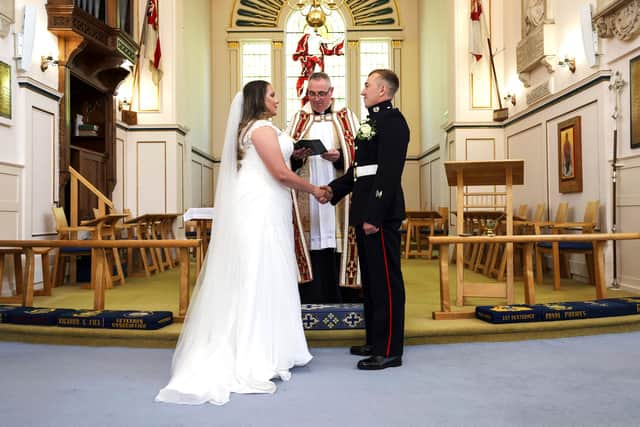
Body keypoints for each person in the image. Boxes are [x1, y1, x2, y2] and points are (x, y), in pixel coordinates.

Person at [156, 80, 330, 405]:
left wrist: (297, 153)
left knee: (267, 273)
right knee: (259, 274)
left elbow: (275, 166)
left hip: (267, 204)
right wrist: (315, 190)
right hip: (261, 206)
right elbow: (279, 173)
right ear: (259, 100)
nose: (277, 99)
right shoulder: (262, 128)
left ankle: (274, 344)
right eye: (272, 94)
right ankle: (255, 350)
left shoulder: (256, 128)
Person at [326, 69, 410, 370]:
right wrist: (332, 190)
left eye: (367, 86)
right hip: (365, 214)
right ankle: (376, 340)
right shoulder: (373, 122)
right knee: (372, 282)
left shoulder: (394, 122)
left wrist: (374, 215)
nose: (363, 91)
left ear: (383, 91)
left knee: (387, 283)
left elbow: (388, 174)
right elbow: (359, 172)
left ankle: (389, 350)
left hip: (380, 215)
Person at [286, 72, 361, 303]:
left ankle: (343, 294)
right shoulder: (299, 119)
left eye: (321, 93)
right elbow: (286, 160)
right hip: (308, 196)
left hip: (339, 196)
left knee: (338, 239)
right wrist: (298, 156)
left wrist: (340, 157)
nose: (316, 99)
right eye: (312, 94)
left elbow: (359, 157)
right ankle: (312, 293)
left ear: (331, 93)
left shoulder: (346, 118)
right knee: (314, 239)